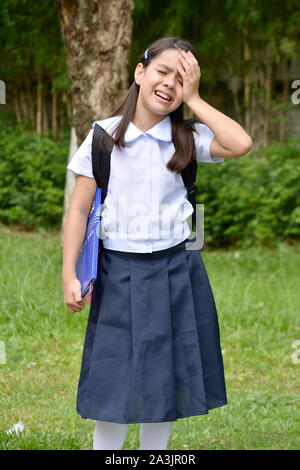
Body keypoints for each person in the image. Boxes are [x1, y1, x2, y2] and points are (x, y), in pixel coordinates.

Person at [62, 36, 253, 450]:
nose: (169, 84)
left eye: (181, 79)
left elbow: (241, 144)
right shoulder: (102, 138)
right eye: (162, 71)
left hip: (176, 269)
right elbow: (78, 211)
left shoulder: (188, 137)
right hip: (118, 271)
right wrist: (69, 274)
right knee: (115, 375)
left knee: (166, 374)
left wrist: (196, 99)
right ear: (140, 72)